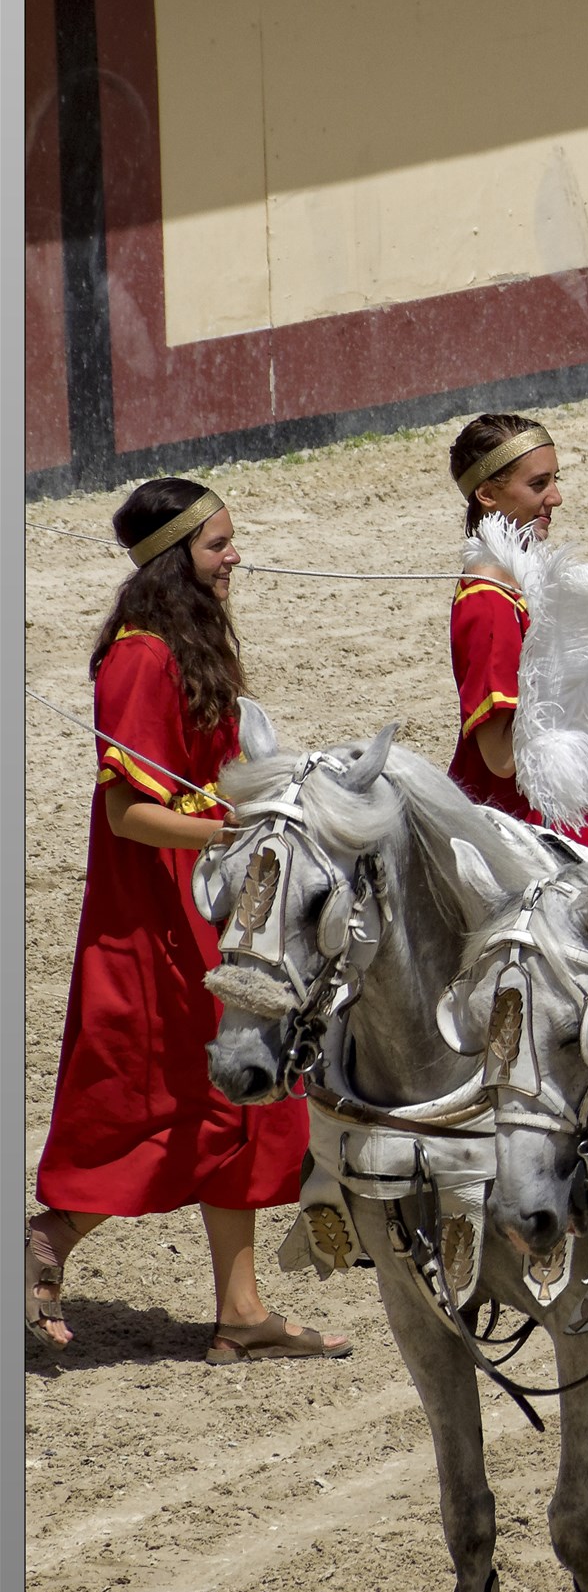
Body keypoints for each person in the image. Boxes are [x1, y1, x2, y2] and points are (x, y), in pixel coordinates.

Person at [25, 480, 350, 1362]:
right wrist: (239, 827)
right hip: (159, 912)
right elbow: (132, 814)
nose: (235, 556)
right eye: (217, 545)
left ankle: (240, 1310)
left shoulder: (190, 644)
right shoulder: (138, 661)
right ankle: (45, 1239)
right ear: (176, 560)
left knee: (240, 1098)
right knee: (176, 1096)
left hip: (210, 899)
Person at [447, 414, 588, 845]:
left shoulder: (523, 577)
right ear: (487, 494)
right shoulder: (488, 601)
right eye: (538, 484)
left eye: (555, 479)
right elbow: (499, 757)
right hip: (516, 831)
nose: (555, 497)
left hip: (548, 808)